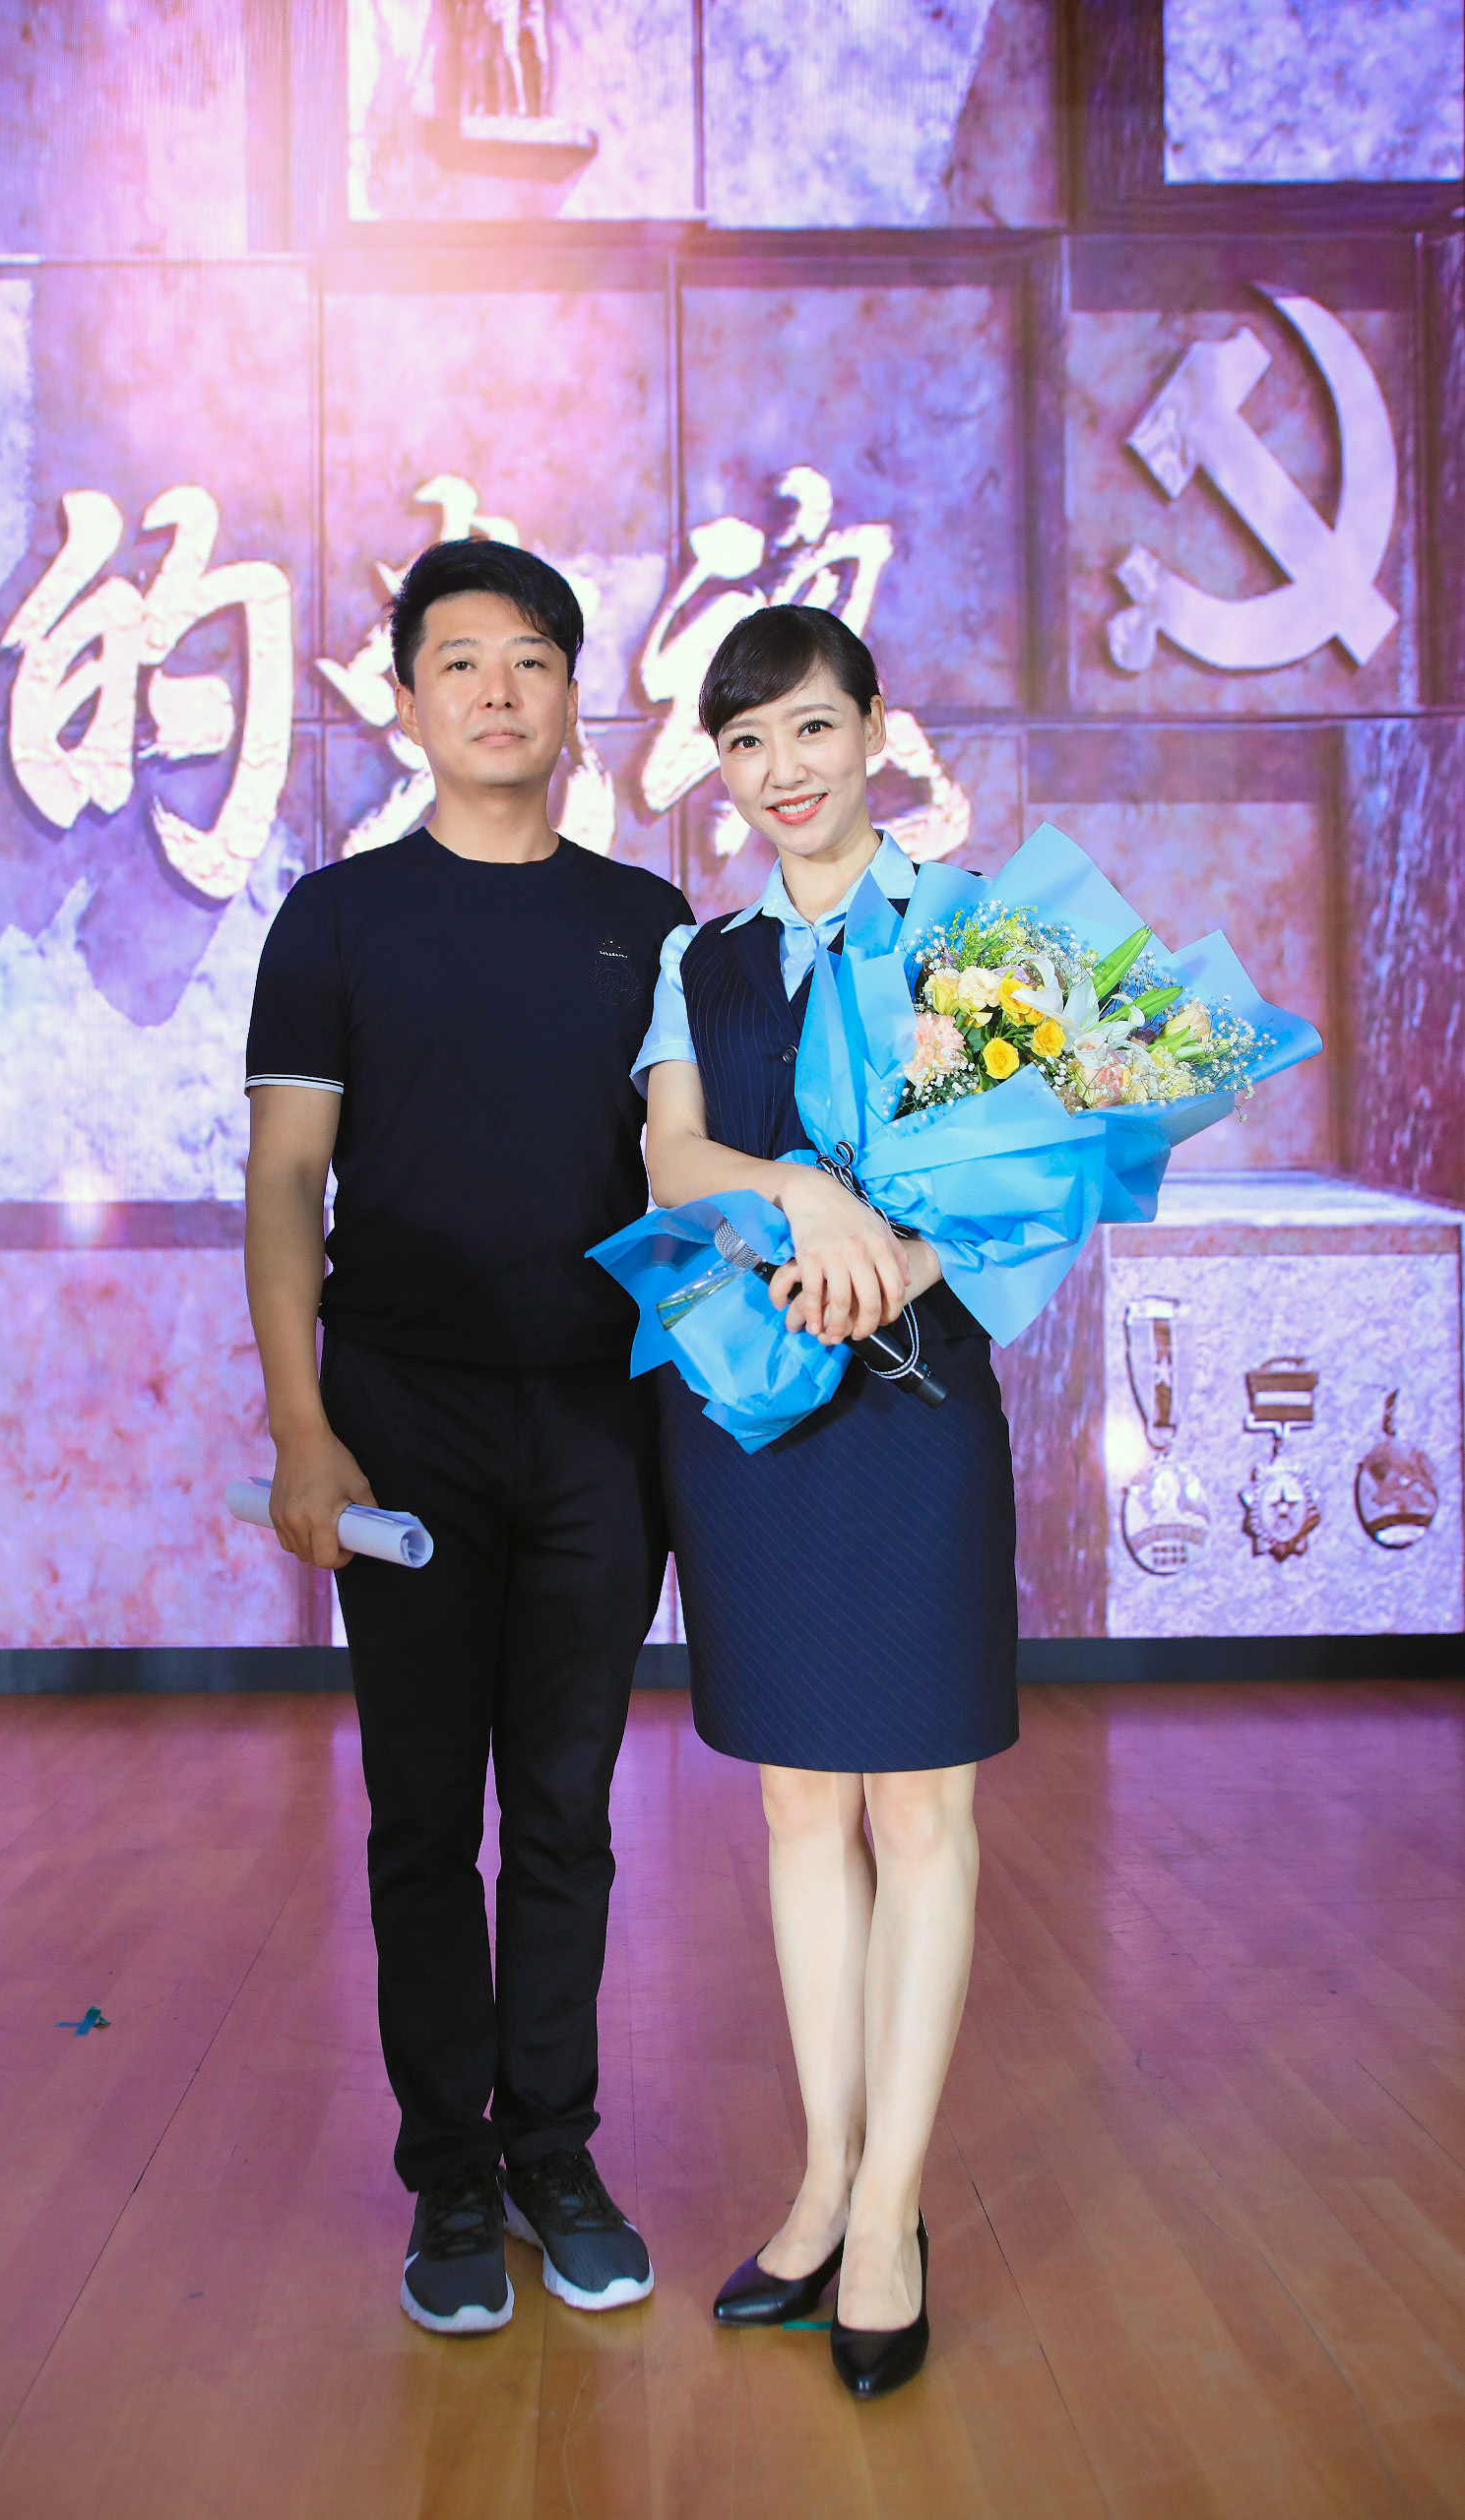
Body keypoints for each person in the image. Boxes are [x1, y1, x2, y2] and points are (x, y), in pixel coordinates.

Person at [242, 539, 690, 2335]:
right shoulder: (336, 918)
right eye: (459, 661)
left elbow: (691, 1172)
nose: (497, 690)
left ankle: (553, 2154)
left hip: (599, 1421)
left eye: (530, 660)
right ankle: (448, 2173)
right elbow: (285, 1179)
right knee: (424, 1812)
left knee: (567, 1808)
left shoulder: (648, 919)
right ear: (405, 698)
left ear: (576, 697)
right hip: (400, 1419)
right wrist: (301, 1427)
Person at [634, 604, 1018, 2400]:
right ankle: (816, 2179)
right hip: (753, 1409)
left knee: (920, 1812)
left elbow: (1051, 1168)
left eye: (807, 728)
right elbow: (670, 1154)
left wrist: (904, 1261)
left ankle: (886, 2215)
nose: (780, 771)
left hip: (916, 1400)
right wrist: (808, 1197)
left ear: (875, 728)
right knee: (799, 1805)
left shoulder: (975, 929)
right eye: (743, 743)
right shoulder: (696, 955)